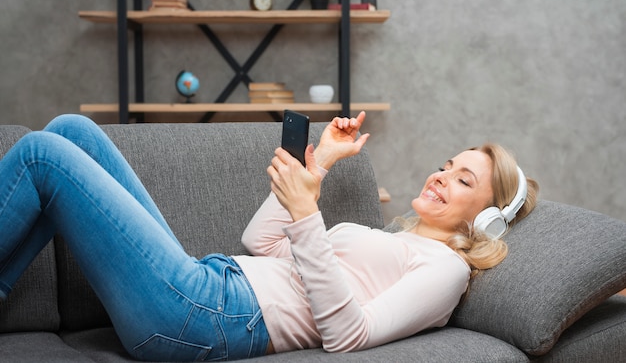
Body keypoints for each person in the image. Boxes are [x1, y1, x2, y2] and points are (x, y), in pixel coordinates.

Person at [0, 112, 538, 361]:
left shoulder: (445, 269)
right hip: (209, 281)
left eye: (464, 179)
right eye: (447, 165)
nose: (441, 175)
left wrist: (307, 215)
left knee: (41, 156)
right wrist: (320, 163)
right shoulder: (385, 236)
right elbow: (263, 242)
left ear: (486, 218)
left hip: (206, 314)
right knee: (72, 130)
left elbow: (349, 336)